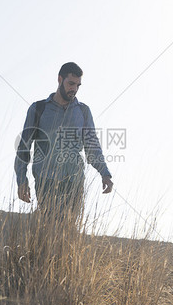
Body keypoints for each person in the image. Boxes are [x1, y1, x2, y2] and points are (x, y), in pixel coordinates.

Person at [15, 62, 113, 223]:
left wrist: (105, 173)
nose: (74, 89)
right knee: (48, 228)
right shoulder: (38, 108)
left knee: (68, 231)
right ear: (60, 79)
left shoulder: (83, 111)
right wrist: (21, 180)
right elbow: (24, 147)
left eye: (78, 85)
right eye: (71, 83)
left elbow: (91, 145)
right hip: (46, 180)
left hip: (74, 181)